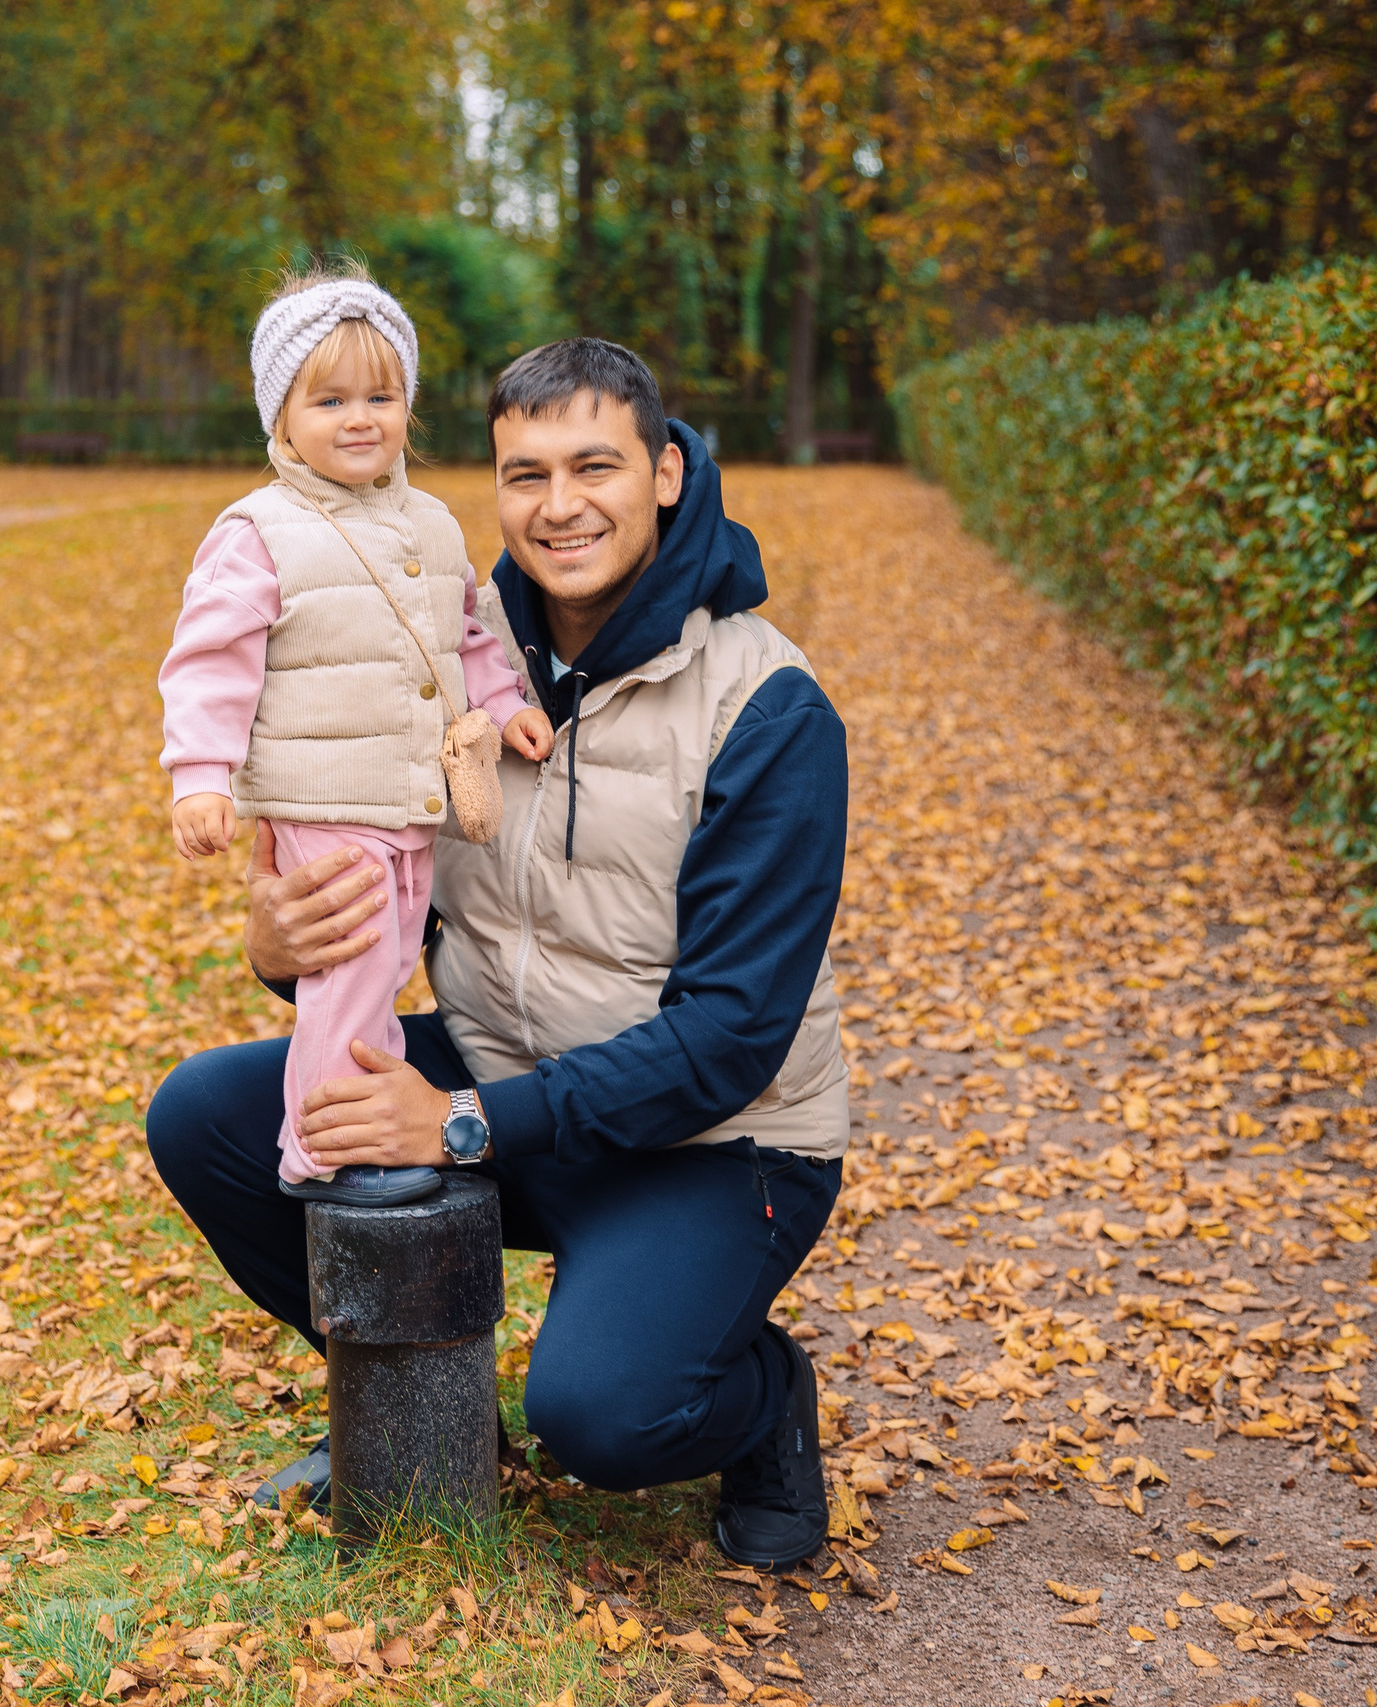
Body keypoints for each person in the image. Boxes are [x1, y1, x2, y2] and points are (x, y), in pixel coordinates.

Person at [147, 337, 852, 1568]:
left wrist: (463, 1123)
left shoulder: (767, 707)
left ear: (667, 472)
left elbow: (731, 1039)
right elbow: (389, 904)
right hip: (502, 1071)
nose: (559, 505)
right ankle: (424, 1415)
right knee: (208, 1116)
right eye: (524, 475)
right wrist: (279, 938)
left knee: (606, 1420)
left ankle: (758, 1399)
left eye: (595, 466)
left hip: (713, 1145)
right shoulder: (441, 652)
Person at [157, 262, 554, 1208]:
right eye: (329, 399)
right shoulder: (260, 531)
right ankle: (323, 1148)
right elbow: (211, 660)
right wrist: (201, 774)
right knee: (344, 969)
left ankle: (368, 1122)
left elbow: (467, 634)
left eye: (382, 395)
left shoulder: (431, 523)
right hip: (324, 798)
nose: (361, 417)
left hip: (408, 802)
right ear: (281, 417)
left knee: (380, 971)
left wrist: (505, 707)